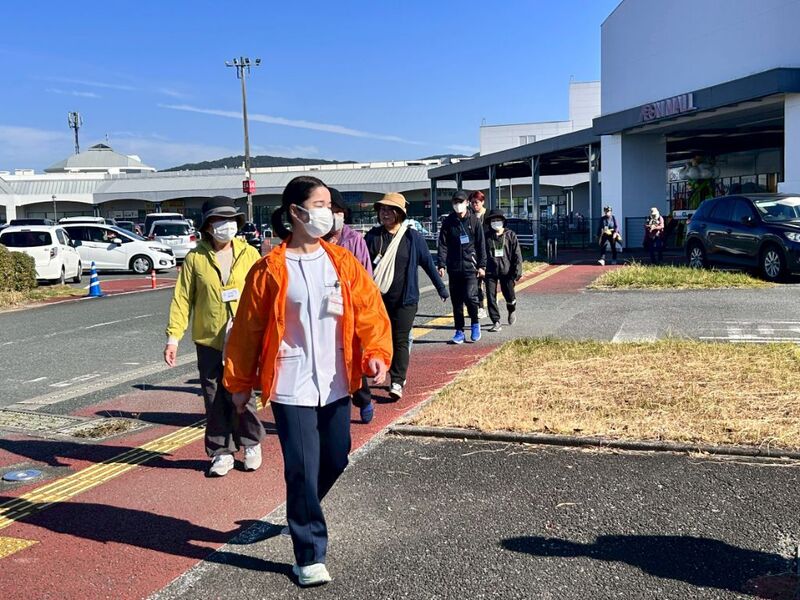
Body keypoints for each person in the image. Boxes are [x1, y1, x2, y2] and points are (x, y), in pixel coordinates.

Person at [223, 176, 392, 587]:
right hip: (290, 381)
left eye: (330, 205)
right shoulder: (269, 270)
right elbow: (247, 329)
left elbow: (369, 311)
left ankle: (303, 506)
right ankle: (309, 554)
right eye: (319, 204)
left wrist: (375, 355)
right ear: (295, 212)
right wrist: (240, 382)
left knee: (335, 457)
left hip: (336, 379)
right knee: (300, 466)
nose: (327, 212)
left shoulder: (342, 262)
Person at [164, 196, 265, 477]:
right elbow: (182, 299)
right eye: (219, 220)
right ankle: (221, 451)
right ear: (208, 226)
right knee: (214, 396)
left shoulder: (250, 254)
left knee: (243, 393)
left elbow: (263, 294)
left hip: (243, 337)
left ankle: (251, 443)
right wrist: (173, 337)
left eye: (230, 220)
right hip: (209, 339)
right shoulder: (195, 258)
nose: (226, 226)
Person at [365, 193, 448, 400]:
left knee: (401, 339)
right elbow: (360, 265)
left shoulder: (413, 237)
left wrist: (441, 289)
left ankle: (397, 380)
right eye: (382, 209)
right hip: (377, 299)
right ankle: (384, 369)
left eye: (390, 210)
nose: (385, 213)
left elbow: (428, 264)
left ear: (400, 213)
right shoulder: (373, 237)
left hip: (405, 299)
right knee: (380, 339)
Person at [325, 187, 375, 424]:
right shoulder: (313, 241)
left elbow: (366, 279)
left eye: (336, 210)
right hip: (323, 312)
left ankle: (363, 398)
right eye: (327, 210)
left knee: (351, 359)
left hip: (350, 310)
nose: (332, 215)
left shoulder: (354, 241)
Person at [437, 190, 486, 344]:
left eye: (461, 202)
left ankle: (475, 324)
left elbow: (480, 244)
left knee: (471, 297)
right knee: (457, 301)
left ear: (467, 203)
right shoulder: (448, 222)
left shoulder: (474, 221)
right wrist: (441, 264)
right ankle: (459, 331)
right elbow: (442, 244)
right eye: (455, 203)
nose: (458, 205)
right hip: (454, 267)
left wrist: (482, 265)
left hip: (470, 267)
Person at [483, 209, 523, 332]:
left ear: (503, 221)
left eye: (498, 220)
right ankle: (496, 321)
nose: (495, 222)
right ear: (489, 222)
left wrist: (517, 271)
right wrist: (480, 268)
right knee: (490, 297)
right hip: (490, 271)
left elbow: (517, 255)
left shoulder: (510, 235)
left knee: (509, 295)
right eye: (493, 220)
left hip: (507, 271)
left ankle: (511, 309)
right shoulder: (486, 237)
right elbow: (481, 253)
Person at [468, 191, 488, 320]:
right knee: (478, 282)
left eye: (477, 202)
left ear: (482, 202)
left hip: (490, 253)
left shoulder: (489, 215)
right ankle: (481, 307)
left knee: (490, 282)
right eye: (472, 202)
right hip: (476, 255)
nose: (475, 205)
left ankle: (491, 302)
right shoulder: (469, 217)